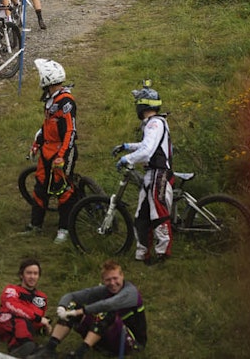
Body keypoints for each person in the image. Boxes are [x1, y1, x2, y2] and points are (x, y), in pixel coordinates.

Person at [30, 260, 146, 358]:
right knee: (72, 305)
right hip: (109, 338)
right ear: (103, 280)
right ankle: (50, 348)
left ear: (122, 276)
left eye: (115, 278)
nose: (112, 283)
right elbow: (72, 296)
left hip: (131, 343)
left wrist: (79, 312)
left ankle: (79, 354)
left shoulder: (131, 292)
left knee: (105, 312)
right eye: (108, 280)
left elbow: (108, 304)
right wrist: (62, 308)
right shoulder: (105, 290)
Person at [113, 81, 173, 264]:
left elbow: (147, 151)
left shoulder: (154, 124)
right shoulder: (153, 123)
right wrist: (126, 147)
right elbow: (146, 146)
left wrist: (127, 159)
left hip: (159, 172)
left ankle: (163, 253)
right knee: (142, 215)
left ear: (143, 105)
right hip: (151, 173)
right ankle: (142, 254)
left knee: (158, 212)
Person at [25, 59, 79, 244]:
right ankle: (35, 225)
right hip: (47, 151)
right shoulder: (50, 100)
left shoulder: (66, 102)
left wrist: (62, 155)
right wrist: (37, 143)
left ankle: (64, 229)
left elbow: (70, 131)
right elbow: (46, 125)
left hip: (61, 153)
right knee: (40, 187)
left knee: (63, 190)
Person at [0, 257, 52, 357]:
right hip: (5, 322)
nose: (32, 276)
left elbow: (37, 317)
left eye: (35, 273)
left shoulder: (42, 298)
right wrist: (38, 319)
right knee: (20, 319)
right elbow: (12, 305)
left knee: (27, 322)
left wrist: (44, 327)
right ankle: (18, 348)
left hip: (26, 327)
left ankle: (29, 351)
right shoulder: (12, 289)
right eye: (29, 273)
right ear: (21, 275)